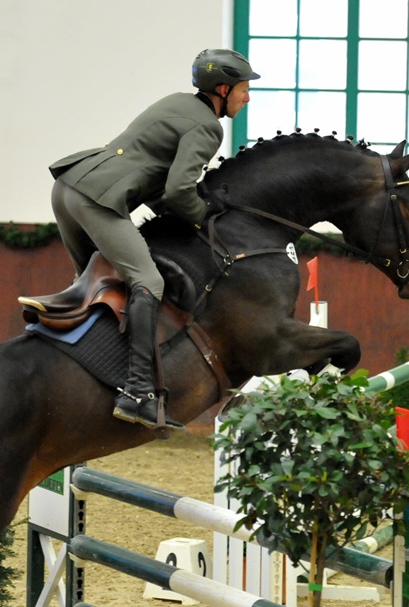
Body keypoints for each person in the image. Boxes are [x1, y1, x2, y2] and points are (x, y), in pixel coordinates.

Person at [47, 48, 259, 432]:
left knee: (98, 287)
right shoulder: (209, 127)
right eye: (244, 89)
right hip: (99, 199)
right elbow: (179, 192)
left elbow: (155, 180)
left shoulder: (177, 103)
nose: (248, 97)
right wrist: (205, 213)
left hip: (69, 188)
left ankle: (80, 373)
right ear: (223, 89)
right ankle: (139, 391)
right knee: (149, 282)